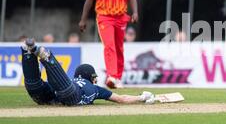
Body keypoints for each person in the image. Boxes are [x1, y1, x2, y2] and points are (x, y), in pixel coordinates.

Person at [21, 38, 154, 106]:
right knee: (63, 89)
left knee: (34, 85)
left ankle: (28, 53)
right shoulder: (96, 89)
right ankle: (47, 57)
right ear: (89, 76)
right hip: (70, 94)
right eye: (94, 76)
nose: (95, 80)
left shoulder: (74, 80)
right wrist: (142, 97)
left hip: (55, 96)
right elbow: (121, 99)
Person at [79, 0, 139, 89]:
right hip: (104, 17)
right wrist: (83, 19)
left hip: (121, 17)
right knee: (109, 45)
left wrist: (135, 12)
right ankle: (111, 75)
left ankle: (117, 78)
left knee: (119, 48)